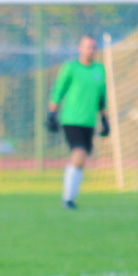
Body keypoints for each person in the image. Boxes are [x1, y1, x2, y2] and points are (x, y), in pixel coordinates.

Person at [46, 34, 109, 209]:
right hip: (72, 119)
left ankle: (71, 198)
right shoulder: (71, 68)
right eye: (88, 46)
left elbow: (102, 98)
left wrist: (105, 119)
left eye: (94, 47)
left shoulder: (99, 70)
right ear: (80, 48)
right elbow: (58, 90)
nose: (91, 50)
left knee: (81, 160)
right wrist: (52, 113)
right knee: (79, 153)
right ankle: (67, 199)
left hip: (89, 122)